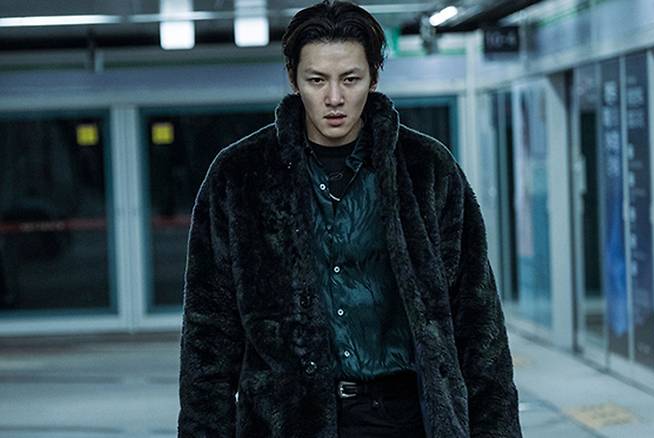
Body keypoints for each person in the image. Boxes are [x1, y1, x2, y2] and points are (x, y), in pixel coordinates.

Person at [177, 1, 522, 437]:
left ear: (374, 77)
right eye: (317, 80)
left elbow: (477, 321)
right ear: (293, 79)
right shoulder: (240, 176)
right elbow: (209, 335)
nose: (334, 98)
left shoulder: (426, 169)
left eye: (350, 79)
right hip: (287, 422)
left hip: (404, 419)